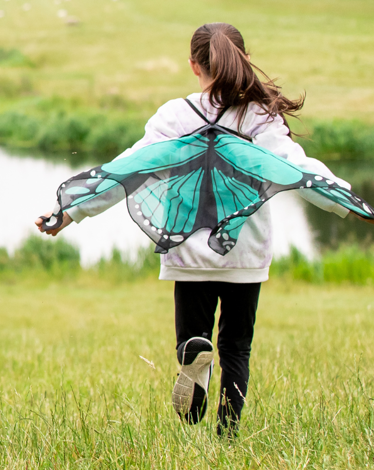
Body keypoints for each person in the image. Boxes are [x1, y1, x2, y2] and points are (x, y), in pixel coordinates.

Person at [37, 22, 363, 437]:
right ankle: (227, 436)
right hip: (244, 252)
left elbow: (128, 169)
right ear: (241, 58)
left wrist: (67, 212)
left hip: (187, 252)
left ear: (194, 66)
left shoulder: (175, 115)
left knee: (193, 341)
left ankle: (195, 366)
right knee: (237, 347)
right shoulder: (259, 116)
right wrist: (352, 205)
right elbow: (299, 170)